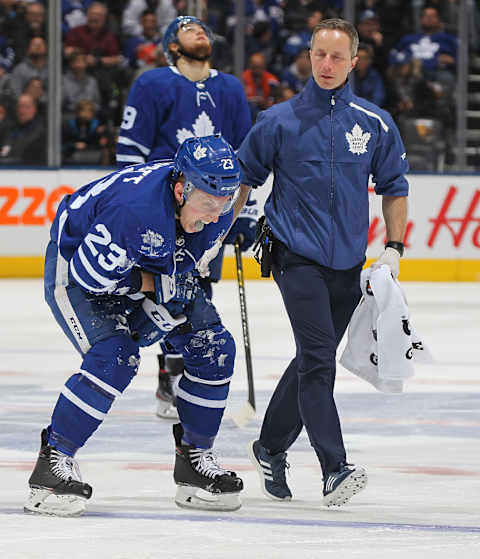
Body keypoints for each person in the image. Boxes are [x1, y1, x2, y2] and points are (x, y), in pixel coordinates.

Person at [24, 134, 248, 517]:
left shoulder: (216, 204)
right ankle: (52, 465)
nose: (216, 213)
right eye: (208, 203)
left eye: (224, 202)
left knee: (213, 348)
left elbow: (182, 261)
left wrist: (164, 301)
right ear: (181, 189)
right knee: (116, 357)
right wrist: (154, 292)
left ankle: (194, 462)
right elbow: (91, 279)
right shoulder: (134, 211)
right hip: (76, 270)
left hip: (148, 263)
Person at [238, 18, 409, 507]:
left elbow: (395, 187)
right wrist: (224, 226)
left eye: (337, 57)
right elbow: (243, 178)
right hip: (295, 258)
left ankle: (269, 446)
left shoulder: (374, 123)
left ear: (355, 61)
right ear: (307, 57)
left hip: (347, 266)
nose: (327, 65)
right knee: (318, 362)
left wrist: (394, 247)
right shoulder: (277, 121)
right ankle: (334, 467)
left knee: (311, 360)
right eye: (319, 55)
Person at [116, 15, 256, 420]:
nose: (199, 31)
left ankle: (185, 370)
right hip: (162, 208)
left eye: (202, 28)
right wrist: (130, 202)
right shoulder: (152, 83)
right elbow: (131, 150)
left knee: (199, 292)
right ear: (171, 46)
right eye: (186, 28)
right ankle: (170, 372)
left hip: (211, 210)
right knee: (162, 289)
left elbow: (244, 157)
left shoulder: (229, 87)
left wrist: (243, 214)